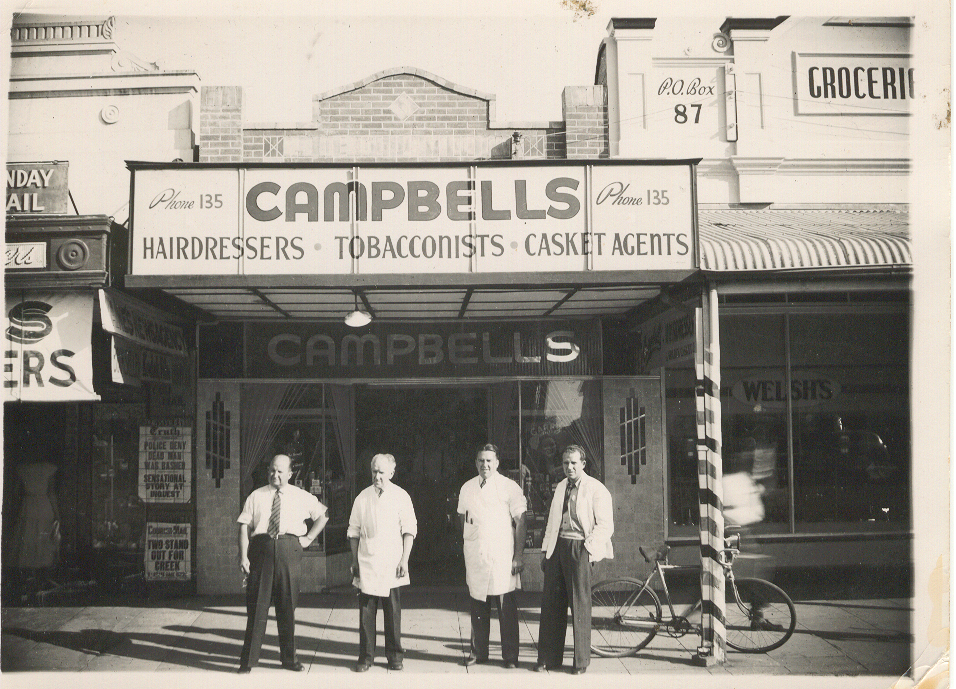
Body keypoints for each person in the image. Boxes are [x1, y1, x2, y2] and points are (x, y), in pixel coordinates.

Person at [236, 454, 328, 673]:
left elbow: (323, 515)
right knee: (257, 606)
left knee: (287, 607)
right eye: (271, 470)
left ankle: (289, 659)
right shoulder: (256, 495)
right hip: (262, 550)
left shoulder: (301, 495)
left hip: (289, 550)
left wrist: (308, 538)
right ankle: (248, 661)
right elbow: (243, 526)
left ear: (289, 473)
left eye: (279, 471)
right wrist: (243, 556)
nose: (274, 475)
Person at [534, 445, 613, 675]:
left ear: (583, 464)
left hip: (580, 547)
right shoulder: (561, 487)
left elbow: (606, 525)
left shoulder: (596, 489)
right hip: (558, 546)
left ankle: (580, 662)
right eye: (566, 463)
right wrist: (545, 551)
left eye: (574, 463)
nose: (569, 467)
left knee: (579, 604)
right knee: (551, 604)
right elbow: (552, 521)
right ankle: (548, 658)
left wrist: (588, 549)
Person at [457, 443, 528, 668]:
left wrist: (518, 555)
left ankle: (510, 657)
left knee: (505, 607)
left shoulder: (510, 487)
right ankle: (478, 653)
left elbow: (521, 522)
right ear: (476, 462)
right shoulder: (467, 487)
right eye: (481, 460)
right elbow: (462, 517)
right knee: (478, 605)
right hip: (476, 555)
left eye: (489, 461)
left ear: (497, 463)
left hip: (502, 555)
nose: (484, 465)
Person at [348, 453, 417, 672]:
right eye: (374, 472)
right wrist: (354, 560)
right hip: (367, 562)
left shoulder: (401, 496)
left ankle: (395, 656)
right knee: (366, 614)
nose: (377, 476)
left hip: (392, 563)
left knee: (392, 612)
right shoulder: (362, 497)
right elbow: (353, 532)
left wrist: (404, 560)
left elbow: (409, 531)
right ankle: (366, 657)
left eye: (381, 472)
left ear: (392, 473)